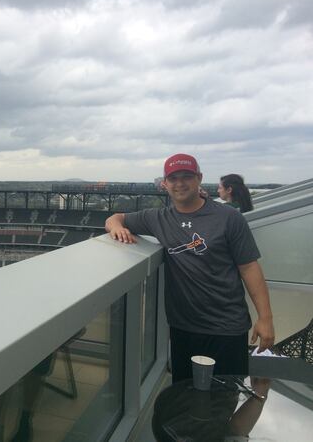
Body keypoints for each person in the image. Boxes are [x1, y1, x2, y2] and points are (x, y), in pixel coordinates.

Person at [105, 153, 274, 383]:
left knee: (225, 398)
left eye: (187, 176)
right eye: (173, 178)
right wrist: (116, 226)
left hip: (227, 328)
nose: (180, 183)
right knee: (185, 397)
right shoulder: (158, 217)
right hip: (183, 328)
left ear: (199, 178)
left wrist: (265, 318)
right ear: (165, 184)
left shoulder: (229, 218)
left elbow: (249, 268)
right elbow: (116, 217)